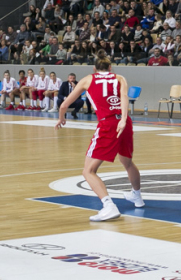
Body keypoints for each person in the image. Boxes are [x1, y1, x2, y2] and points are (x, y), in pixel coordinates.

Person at [55, 51, 144, 222]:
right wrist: (124, 120)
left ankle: (108, 205)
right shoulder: (119, 78)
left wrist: (61, 118)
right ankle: (137, 197)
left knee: (88, 171)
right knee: (127, 162)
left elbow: (64, 104)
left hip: (108, 123)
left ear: (95, 69)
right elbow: (124, 97)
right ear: (110, 68)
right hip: (124, 123)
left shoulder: (88, 79)